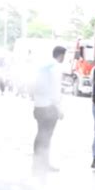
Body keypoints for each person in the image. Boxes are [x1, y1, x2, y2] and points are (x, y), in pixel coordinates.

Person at [32, 46, 66, 174]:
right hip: (49, 107)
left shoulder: (42, 67)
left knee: (40, 134)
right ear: (61, 55)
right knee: (46, 136)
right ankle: (43, 164)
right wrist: (59, 109)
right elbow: (55, 90)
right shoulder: (56, 67)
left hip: (38, 105)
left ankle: (38, 162)